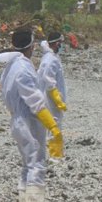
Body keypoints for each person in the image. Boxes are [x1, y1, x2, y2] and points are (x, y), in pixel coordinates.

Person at [0, 28, 63, 202]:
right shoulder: (23, 68)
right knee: (36, 162)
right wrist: (53, 127)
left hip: (17, 119)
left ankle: (23, 201)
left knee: (27, 162)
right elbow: (36, 100)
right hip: (29, 119)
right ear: (30, 46)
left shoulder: (11, 66)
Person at [38, 30, 69, 159]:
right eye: (61, 43)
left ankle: (53, 154)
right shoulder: (51, 60)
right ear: (56, 44)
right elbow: (49, 79)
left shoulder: (49, 57)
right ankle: (55, 156)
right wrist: (57, 98)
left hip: (47, 96)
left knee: (50, 126)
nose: (62, 46)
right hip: (50, 98)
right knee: (54, 126)